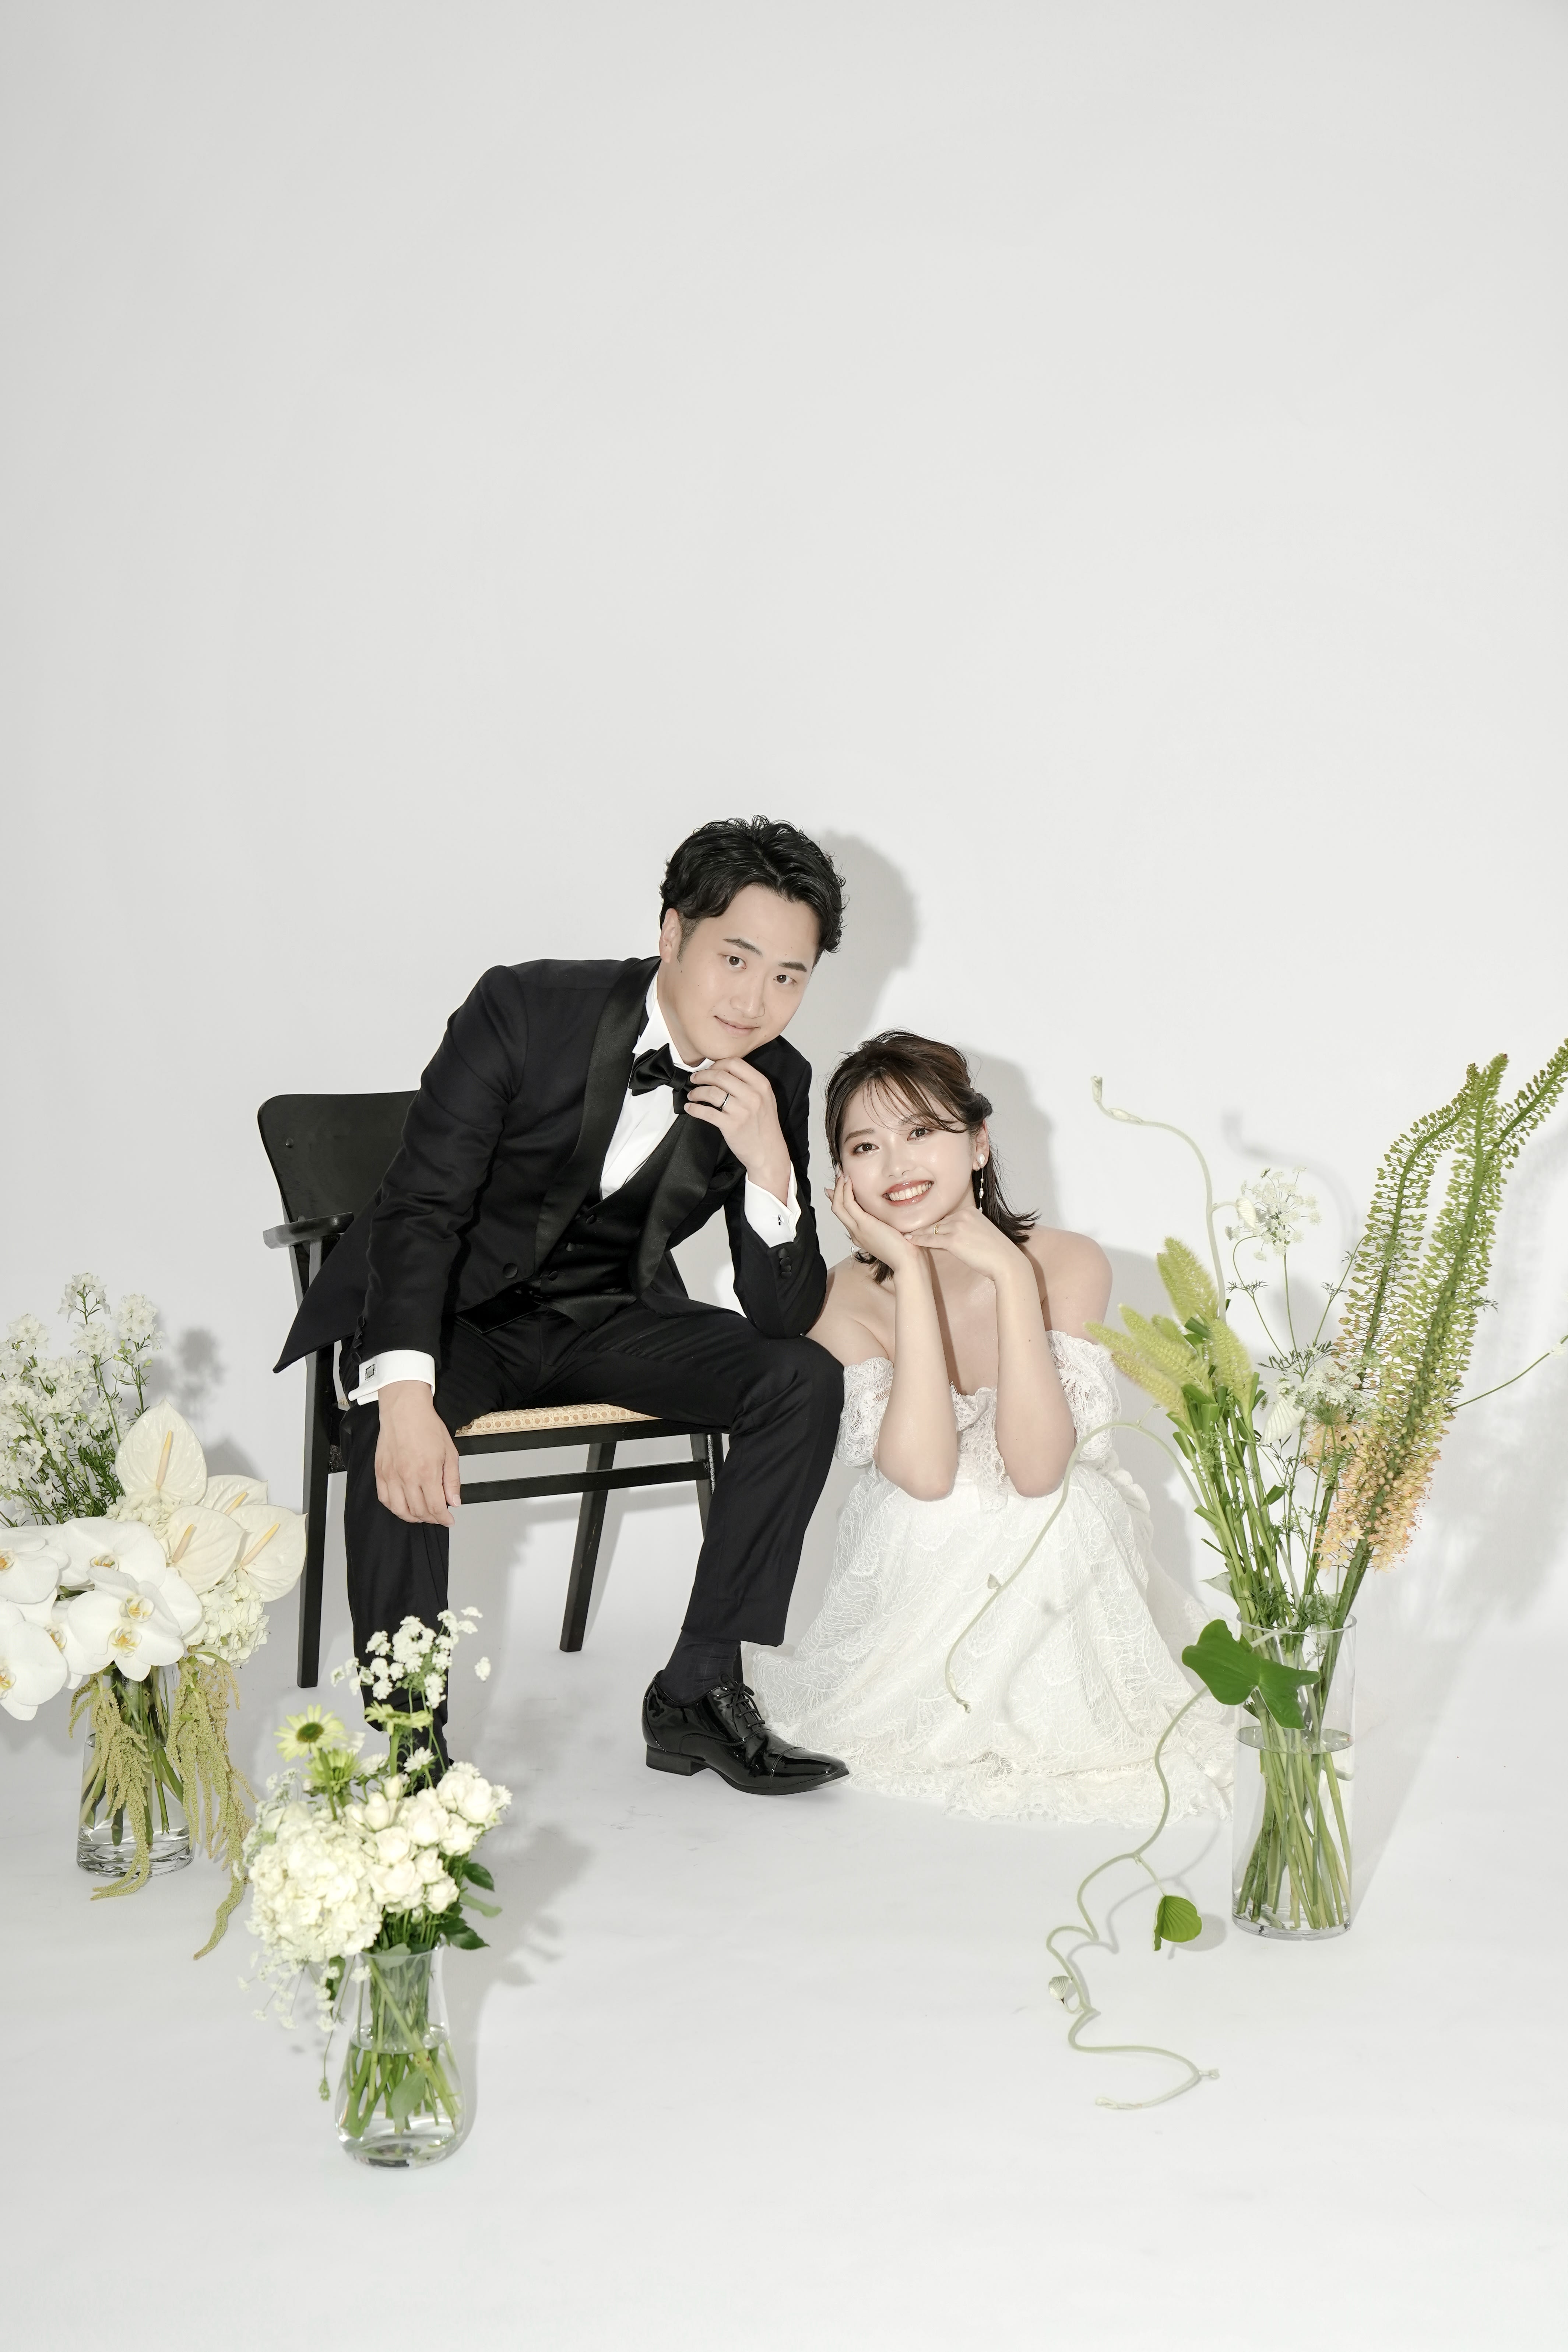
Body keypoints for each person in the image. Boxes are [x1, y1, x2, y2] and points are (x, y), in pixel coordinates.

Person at [276, 817, 852, 1796]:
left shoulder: (777, 1078)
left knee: (802, 1378)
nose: (755, 1001)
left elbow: (783, 1316)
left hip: (607, 1317)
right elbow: (419, 1209)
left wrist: (770, 1168)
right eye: (735, 958)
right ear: (671, 932)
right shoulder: (524, 1008)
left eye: (787, 976)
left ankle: (697, 1687)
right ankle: (412, 1742)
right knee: (388, 1422)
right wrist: (405, 1392)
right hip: (453, 1315)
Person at [748, 1033, 1230, 1823]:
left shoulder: (1068, 1262)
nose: (896, 1164)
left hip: (1062, 1545)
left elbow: (1037, 1470)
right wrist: (908, 1274)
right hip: (918, 1552)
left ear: (977, 1144)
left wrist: (1008, 1273)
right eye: (864, 1146)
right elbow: (925, 1473)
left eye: (920, 1131)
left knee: (1063, 1509)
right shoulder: (838, 1297)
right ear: (842, 1180)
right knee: (926, 1509)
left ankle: (1060, 1721)